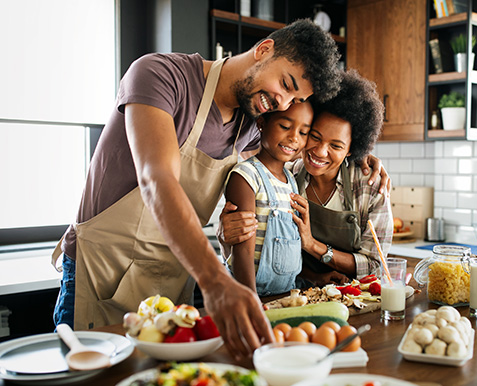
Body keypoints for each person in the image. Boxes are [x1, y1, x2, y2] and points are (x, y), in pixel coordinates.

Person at [51, 19, 343, 359]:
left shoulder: (249, 125)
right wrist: (216, 280)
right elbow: (156, 180)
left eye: (295, 97)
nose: (282, 102)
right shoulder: (160, 76)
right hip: (103, 272)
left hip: (170, 281)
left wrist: (359, 165)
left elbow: (289, 160)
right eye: (285, 84)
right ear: (264, 50)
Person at [220, 70, 393, 288]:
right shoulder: (288, 175)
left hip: (355, 297)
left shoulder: (370, 186)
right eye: (314, 136)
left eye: (336, 146)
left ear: (352, 150)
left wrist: (313, 245)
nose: (320, 152)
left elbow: (375, 265)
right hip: (298, 294)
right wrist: (226, 230)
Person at [225, 102, 313, 296]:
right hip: (248, 294)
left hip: (285, 294)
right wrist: (250, 300)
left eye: (303, 132)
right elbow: (243, 250)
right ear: (262, 123)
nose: (293, 138)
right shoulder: (246, 176)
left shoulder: (291, 181)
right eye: (285, 127)